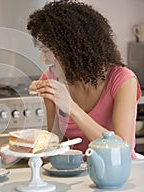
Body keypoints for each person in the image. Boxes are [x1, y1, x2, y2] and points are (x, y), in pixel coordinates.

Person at [27, 0, 142, 159]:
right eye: (40, 50)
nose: (42, 58)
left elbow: (122, 149)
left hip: (117, 174)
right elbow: (55, 145)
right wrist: (17, 149)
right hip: (75, 174)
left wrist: (71, 107)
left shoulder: (123, 80)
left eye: (46, 50)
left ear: (72, 48)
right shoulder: (51, 78)